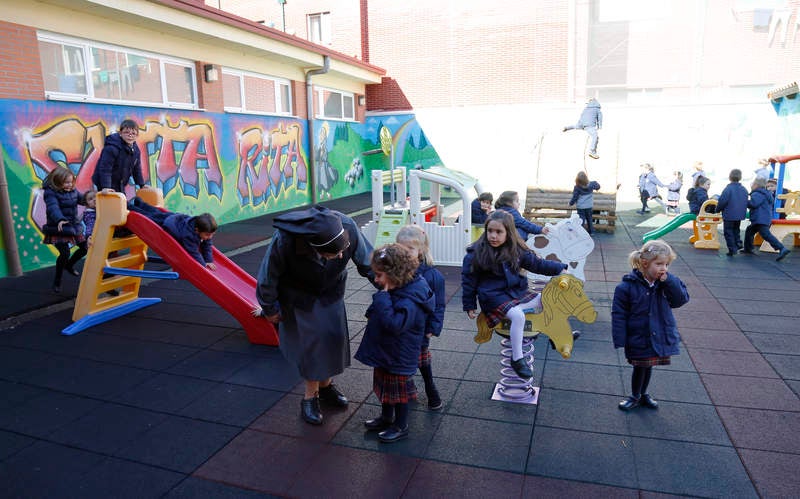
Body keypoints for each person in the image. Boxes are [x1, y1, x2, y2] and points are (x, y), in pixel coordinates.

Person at [255, 205, 374, 425]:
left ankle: (326, 386)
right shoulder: (286, 239)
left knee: (333, 339)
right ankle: (310, 397)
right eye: (333, 254)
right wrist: (270, 308)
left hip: (330, 290)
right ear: (314, 248)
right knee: (311, 346)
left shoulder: (346, 226)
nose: (340, 256)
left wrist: (391, 288)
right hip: (298, 295)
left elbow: (369, 262)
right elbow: (268, 275)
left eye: (342, 250)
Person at [462, 210, 568, 379]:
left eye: (498, 232)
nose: (493, 236)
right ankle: (517, 358)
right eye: (490, 231)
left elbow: (537, 264)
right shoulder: (476, 252)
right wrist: (469, 304)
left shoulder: (515, 249)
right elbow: (469, 280)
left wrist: (560, 268)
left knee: (547, 299)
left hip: (513, 293)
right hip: (492, 297)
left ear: (508, 233)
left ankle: (557, 336)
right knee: (518, 316)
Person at [355, 244, 434, 443]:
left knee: (399, 393)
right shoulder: (397, 288)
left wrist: (381, 299)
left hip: (399, 353)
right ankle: (386, 417)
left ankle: (401, 425)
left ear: (395, 274)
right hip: (387, 350)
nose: (376, 279)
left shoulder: (410, 300)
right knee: (385, 386)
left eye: (380, 275)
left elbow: (394, 324)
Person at [612, 240, 689, 411]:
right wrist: (620, 338)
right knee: (640, 366)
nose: (664, 269)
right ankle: (635, 395)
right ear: (645, 263)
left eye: (667, 264)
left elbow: (680, 299)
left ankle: (642, 393)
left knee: (648, 365)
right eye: (659, 264)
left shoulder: (665, 284)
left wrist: (669, 281)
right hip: (638, 334)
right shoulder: (626, 287)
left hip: (658, 333)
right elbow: (619, 314)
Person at [396, 225, 446, 410]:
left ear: (421, 250)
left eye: (409, 249)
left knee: (421, 360)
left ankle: (430, 388)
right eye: (400, 248)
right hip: (401, 324)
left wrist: (433, 327)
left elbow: (439, 305)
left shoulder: (433, 276)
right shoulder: (397, 272)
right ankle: (409, 391)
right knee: (402, 361)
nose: (404, 253)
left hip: (421, 328)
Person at [127, 197, 218, 269]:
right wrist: (202, 265)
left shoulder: (202, 228)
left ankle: (141, 204)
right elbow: (193, 252)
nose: (210, 237)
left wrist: (208, 260)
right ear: (197, 230)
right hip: (168, 223)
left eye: (212, 234)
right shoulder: (189, 236)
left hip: (175, 218)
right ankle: (128, 206)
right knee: (149, 216)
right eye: (207, 235)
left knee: (155, 212)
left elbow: (207, 245)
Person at [41, 167, 88, 293]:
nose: (69, 185)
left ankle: (69, 265)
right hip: (59, 227)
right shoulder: (50, 192)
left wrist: (94, 199)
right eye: (66, 182)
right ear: (57, 182)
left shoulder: (73, 190)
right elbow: (52, 207)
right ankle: (57, 280)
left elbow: (83, 199)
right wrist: (59, 219)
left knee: (85, 248)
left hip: (72, 226)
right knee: (65, 253)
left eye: (71, 182)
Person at [742, 177, 791, 261]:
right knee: (749, 230)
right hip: (763, 218)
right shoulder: (766, 194)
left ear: (756, 185)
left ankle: (782, 248)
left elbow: (754, 204)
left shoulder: (757, 193)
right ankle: (748, 248)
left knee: (766, 235)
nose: (751, 186)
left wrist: (744, 201)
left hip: (760, 219)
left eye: (752, 184)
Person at [92, 118, 146, 194]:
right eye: (126, 132)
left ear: (137, 136)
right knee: (109, 204)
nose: (130, 135)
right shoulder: (112, 148)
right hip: (104, 183)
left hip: (119, 183)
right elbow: (105, 168)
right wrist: (106, 187)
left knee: (121, 204)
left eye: (133, 133)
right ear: (120, 133)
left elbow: (137, 169)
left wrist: (141, 184)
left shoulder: (135, 150)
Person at [716, 169, 748, 256]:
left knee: (728, 231)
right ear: (740, 177)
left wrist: (717, 209)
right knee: (736, 230)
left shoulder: (728, 189)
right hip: (739, 215)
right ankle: (738, 242)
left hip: (729, 214)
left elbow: (722, 201)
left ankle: (732, 249)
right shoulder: (744, 189)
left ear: (730, 177)